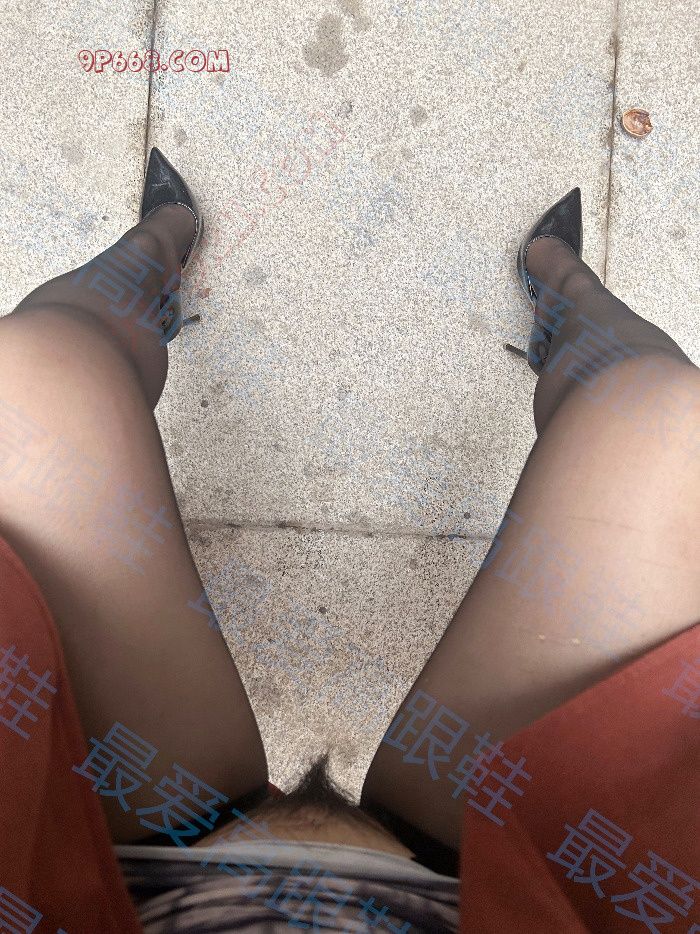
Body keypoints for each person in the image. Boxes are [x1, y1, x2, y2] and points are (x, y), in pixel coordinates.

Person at [0, 149, 697, 933]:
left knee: (31, 372)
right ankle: (565, 288)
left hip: (102, 876)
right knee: (663, 419)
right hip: (505, 896)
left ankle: (156, 246)